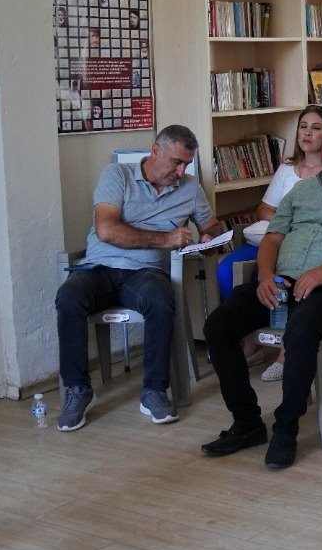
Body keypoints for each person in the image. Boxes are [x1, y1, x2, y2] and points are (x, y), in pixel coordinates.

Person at [198, 112, 322, 471]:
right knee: (218, 325)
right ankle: (247, 423)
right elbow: (273, 238)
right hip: (280, 284)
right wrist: (264, 275)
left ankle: (285, 430)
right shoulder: (301, 191)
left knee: (301, 331)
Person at [55, 124, 223, 431]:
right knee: (68, 297)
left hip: (147, 272)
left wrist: (210, 237)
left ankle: (154, 391)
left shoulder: (190, 187)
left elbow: (210, 225)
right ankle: (78, 390)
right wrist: (164, 240)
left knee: (160, 300)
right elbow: (107, 230)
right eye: (177, 162)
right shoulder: (117, 175)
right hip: (99, 268)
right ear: (156, 151)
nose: (181, 171)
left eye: (187, 164)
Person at [214, 104, 322, 382]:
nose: (307, 133)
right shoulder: (287, 168)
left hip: (303, 245)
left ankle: (284, 350)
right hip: (272, 237)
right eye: (303, 127)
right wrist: (286, 221)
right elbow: (264, 209)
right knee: (226, 269)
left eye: (316, 128)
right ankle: (250, 339)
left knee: (283, 276)